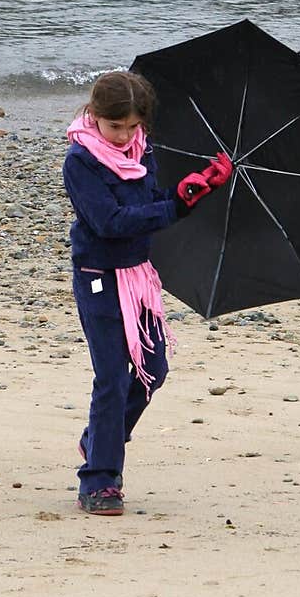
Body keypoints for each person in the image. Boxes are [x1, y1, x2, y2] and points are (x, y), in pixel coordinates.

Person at [62, 70, 232, 516]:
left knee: (152, 370)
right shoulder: (81, 161)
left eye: (134, 126)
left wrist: (194, 191)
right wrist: (174, 205)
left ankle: (98, 439)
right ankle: (99, 481)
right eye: (116, 126)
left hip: (138, 275)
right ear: (95, 116)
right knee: (113, 378)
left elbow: (151, 202)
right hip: (99, 275)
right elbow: (110, 223)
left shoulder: (142, 151)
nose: (124, 135)